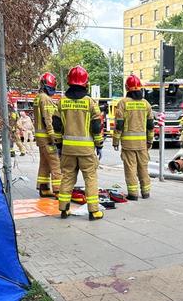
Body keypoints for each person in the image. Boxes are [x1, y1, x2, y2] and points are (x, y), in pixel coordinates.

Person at [56, 65, 104, 221]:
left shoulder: (62, 102)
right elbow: (96, 126)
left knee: (67, 177)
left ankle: (64, 209)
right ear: (85, 82)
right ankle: (94, 211)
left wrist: (58, 144)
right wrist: (99, 144)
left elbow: (56, 124)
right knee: (90, 177)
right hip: (86, 150)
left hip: (67, 149)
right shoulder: (89, 102)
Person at [113, 74, 155, 200]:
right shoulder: (146, 104)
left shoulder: (123, 103)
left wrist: (115, 141)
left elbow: (119, 124)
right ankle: (146, 192)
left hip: (128, 144)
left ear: (127, 88)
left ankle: (133, 194)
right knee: (143, 167)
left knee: (130, 168)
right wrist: (150, 140)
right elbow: (150, 125)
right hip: (142, 144)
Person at [33, 72, 62, 198]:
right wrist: (53, 137)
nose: (53, 91)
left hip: (40, 138)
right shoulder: (46, 99)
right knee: (56, 164)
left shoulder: (38, 97)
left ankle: (44, 188)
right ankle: (59, 191)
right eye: (52, 88)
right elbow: (48, 119)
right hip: (47, 137)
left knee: (44, 163)